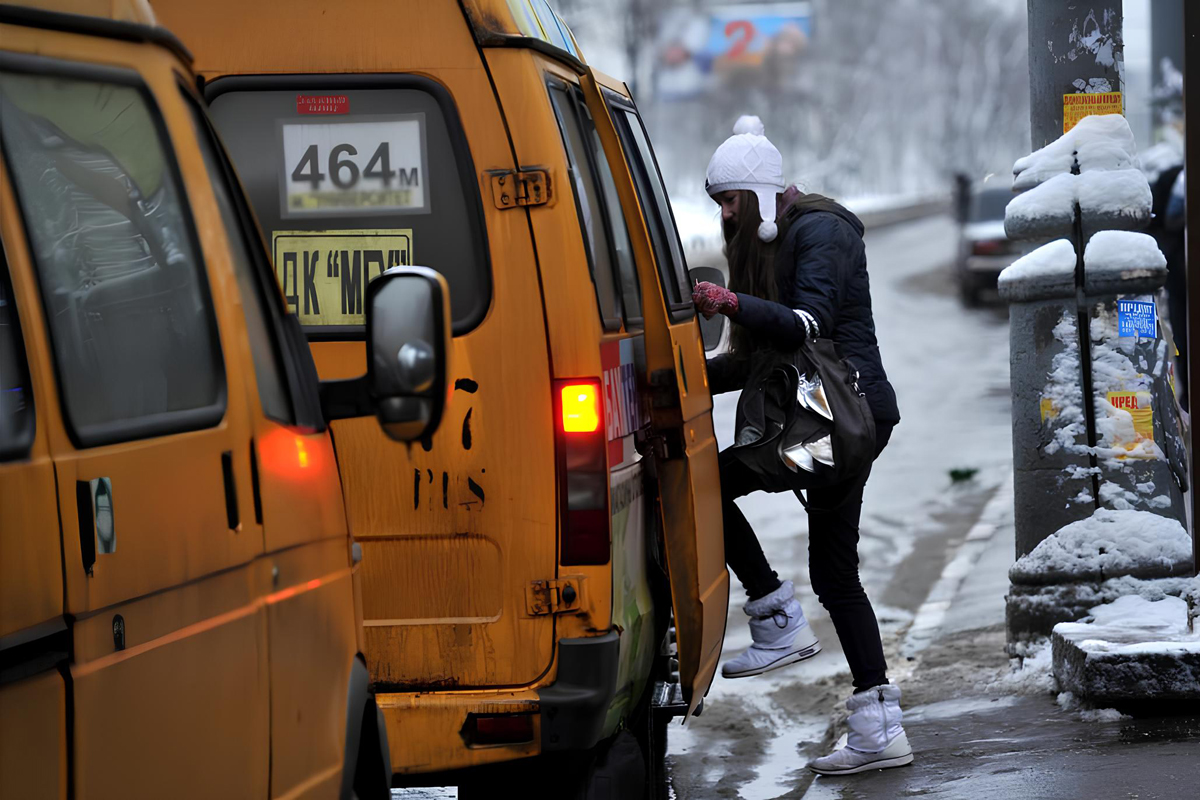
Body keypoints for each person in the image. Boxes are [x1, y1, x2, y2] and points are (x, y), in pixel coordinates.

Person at [693, 115, 910, 776]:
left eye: (730, 199)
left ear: (757, 193)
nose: (725, 213)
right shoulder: (774, 241)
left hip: (841, 420)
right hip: (818, 418)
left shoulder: (821, 230)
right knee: (837, 574)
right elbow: (760, 357)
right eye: (719, 203)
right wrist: (681, 378)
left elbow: (804, 326)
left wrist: (729, 303)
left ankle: (775, 615)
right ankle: (879, 727)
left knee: (710, 482)